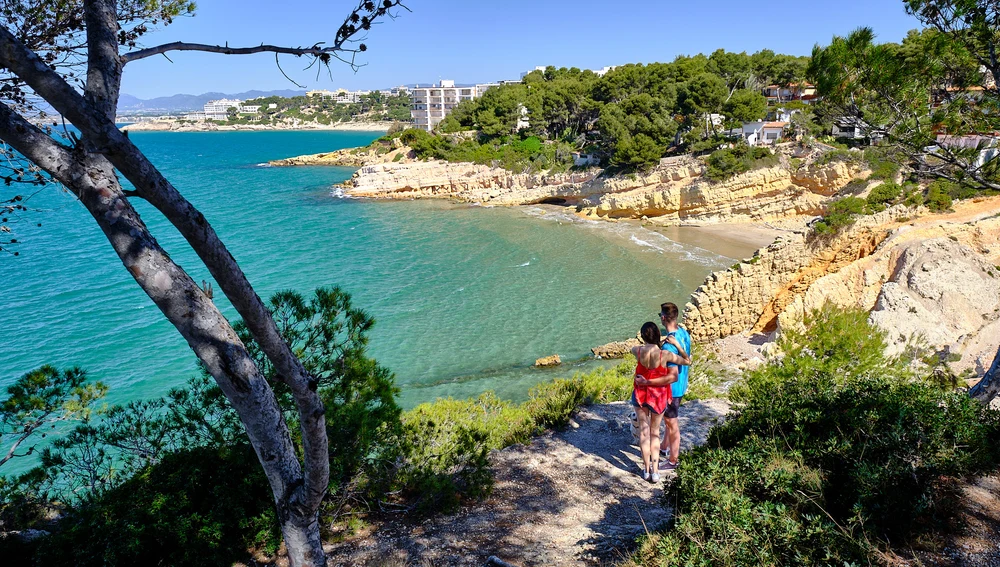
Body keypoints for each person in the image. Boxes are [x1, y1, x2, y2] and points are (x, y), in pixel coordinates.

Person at [631, 322, 690, 483]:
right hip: (658, 397)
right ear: (658, 335)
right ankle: (656, 472)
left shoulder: (637, 351)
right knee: (654, 432)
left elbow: (632, 348)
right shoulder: (666, 355)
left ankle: (646, 470)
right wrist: (677, 344)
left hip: (641, 395)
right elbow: (687, 361)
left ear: (643, 337)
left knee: (644, 432)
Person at [658, 302, 692, 471]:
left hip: (672, 390)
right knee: (668, 420)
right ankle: (663, 448)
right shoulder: (684, 333)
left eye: (660, 316)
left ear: (664, 318)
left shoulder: (669, 345)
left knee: (672, 424)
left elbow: (672, 375)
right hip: (682, 385)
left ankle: (672, 460)